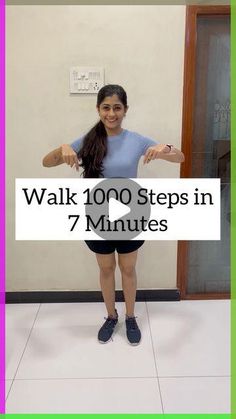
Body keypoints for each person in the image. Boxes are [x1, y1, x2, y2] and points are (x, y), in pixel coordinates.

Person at [42, 84, 184, 346]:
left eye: (117, 108)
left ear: (125, 110)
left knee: (128, 269)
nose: (111, 113)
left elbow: (181, 158)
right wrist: (62, 147)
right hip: (98, 215)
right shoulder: (88, 140)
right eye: (106, 107)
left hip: (131, 214)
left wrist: (166, 148)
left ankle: (130, 317)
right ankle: (110, 316)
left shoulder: (137, 139)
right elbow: (47, 162)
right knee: (106, 269)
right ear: (98, 109)